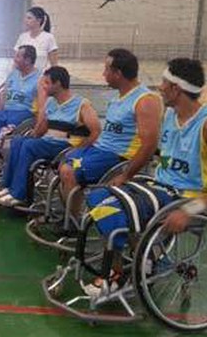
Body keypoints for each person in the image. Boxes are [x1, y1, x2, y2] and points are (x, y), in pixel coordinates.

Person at [83, 58, 207, 296]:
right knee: (99, 196)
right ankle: (143, 260)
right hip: (159, 187)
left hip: (185, 197)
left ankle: (119, 274)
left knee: (113, 211)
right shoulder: (170, 115)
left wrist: (189, 211)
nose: (159, 87)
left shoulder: (203, 124)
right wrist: (126, 176)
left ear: (176, 89)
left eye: (164, 82)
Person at [58, 48, 162, 217]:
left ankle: (72, 225)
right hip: (101, 150)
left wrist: (127, 174)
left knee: (68, 171)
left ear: (118, 73)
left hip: (117, 156)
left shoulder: (144, 100)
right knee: (63, 161)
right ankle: (72, 218)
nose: (103, 74)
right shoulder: (117, 98)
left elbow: (150, 144)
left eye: (106, 70)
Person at [0, 66, 101, 206]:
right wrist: (35, 126)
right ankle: (8, 187)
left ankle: (19, 194)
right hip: (48, 143)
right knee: (18, 140)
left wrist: (79, 149)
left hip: (66, 146)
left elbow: (96, 131)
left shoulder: (82, 104)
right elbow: (41, 130)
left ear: (58, 84)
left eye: (47, 83)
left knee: (29, 145)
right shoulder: (51, 103)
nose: (43, 87)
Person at [0, 45, 42, 141]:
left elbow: (42, 105)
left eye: (17, 56)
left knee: (13, 125)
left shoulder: (39, 79)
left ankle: (5, 143)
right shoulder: (13, 74)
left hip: (24, 112)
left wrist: (38, 127)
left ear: (28, 60)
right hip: (7, 111)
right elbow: (4, 94)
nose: (14, 59)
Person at [14, 6, 58, 71]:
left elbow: (54, 65)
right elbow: (16, 61)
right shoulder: (22, 37)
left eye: (29, 18)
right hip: (23, 76)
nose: (25, 20)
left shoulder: (49, 37)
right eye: (25, 18)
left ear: (38, 20)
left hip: (40, 77)